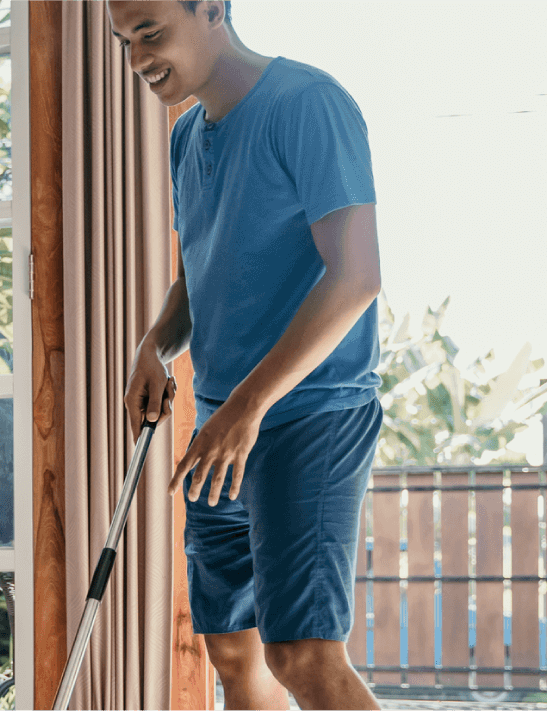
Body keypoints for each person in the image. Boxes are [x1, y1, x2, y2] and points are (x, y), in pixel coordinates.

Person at [109, 1, 385, 709]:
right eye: (125, 40)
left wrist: (247, 406)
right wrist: (154, 345)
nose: (137, 59)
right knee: (233, 651)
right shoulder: (185, 136)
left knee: (301, 654)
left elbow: (356, 275)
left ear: (211, 8)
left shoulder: (307, 103)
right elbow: (200, 275)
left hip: (309, 416)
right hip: (221, 425)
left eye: (150, 33)